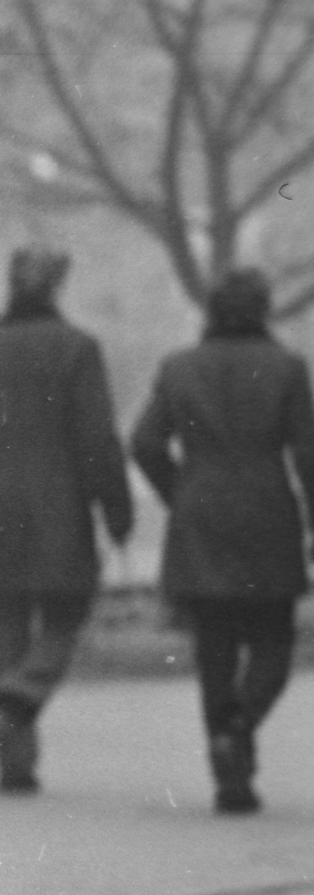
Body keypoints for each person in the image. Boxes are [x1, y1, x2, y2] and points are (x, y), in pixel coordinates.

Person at [0, 245, 132, 794]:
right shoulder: (77, 349)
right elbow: (97, 443)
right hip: (60, 512)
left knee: (0, 632)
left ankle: (14, 764)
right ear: (57, 288)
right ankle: (24, 692)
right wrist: (117, 511)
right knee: (67, 613)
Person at [130, 269, 314, 814]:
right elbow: (308, 456)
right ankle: (241, 723)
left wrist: (179, 492)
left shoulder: (179, 367)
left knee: (214, 647)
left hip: (201, 514)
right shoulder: (287, 369)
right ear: (263, 310)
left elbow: (143, 442)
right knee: (273, 646)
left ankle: (228, 772)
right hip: (268, 515)